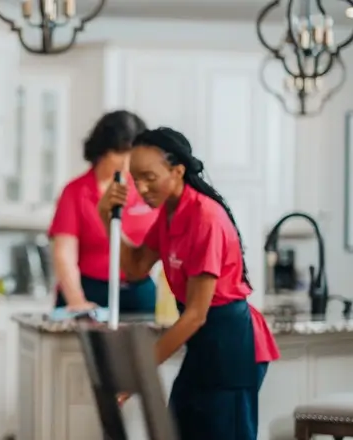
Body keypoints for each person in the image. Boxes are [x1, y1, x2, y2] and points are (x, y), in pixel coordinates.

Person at [98, 127, 280, 440]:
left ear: (177, 170)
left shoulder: (205, 217)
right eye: (134, 178)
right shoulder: (169, 213)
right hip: (202, 345)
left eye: (149, 177)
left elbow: (196, 314)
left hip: (230, 344)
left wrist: (138, 375)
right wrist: (106, 216)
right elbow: (137, 267)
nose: (140, 188)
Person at [49, 110, 158, 313]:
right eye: (119, 153)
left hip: (138, 292)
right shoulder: (75, 193)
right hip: (88, 290)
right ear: (102, 150)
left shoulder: (147, 191)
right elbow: (64, 252)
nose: (126, 162)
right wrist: (77, 301)